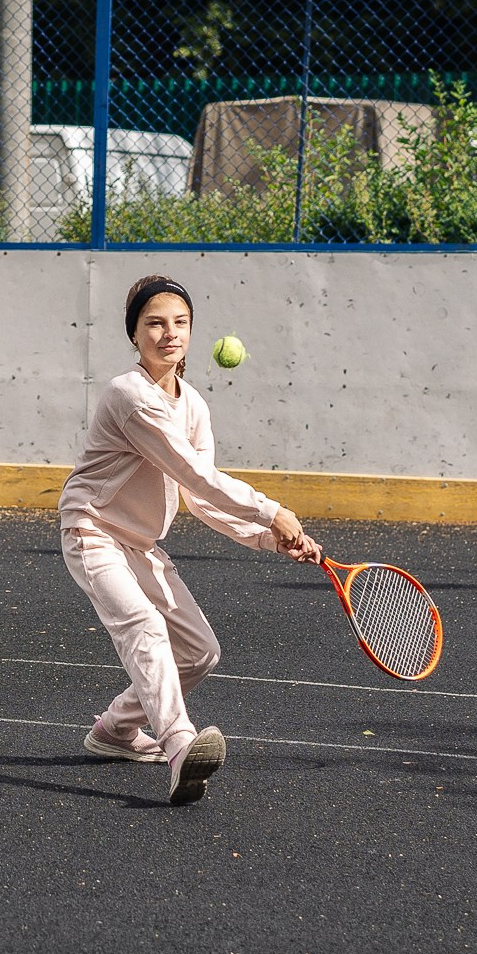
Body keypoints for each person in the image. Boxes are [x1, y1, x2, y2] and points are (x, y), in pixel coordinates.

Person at [58, 275, 321, 805]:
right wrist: (273, 511)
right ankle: (180, 749)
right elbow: (198, 477)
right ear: (134, 334)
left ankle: (114, 730)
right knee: (145, 627)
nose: (168, 333)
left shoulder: (193, 405)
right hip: (92, 532)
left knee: (199, 653)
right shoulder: (129, 395)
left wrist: (269, 537)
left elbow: (199, 499)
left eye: (180, 323)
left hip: (141, 545)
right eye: (154, 323)